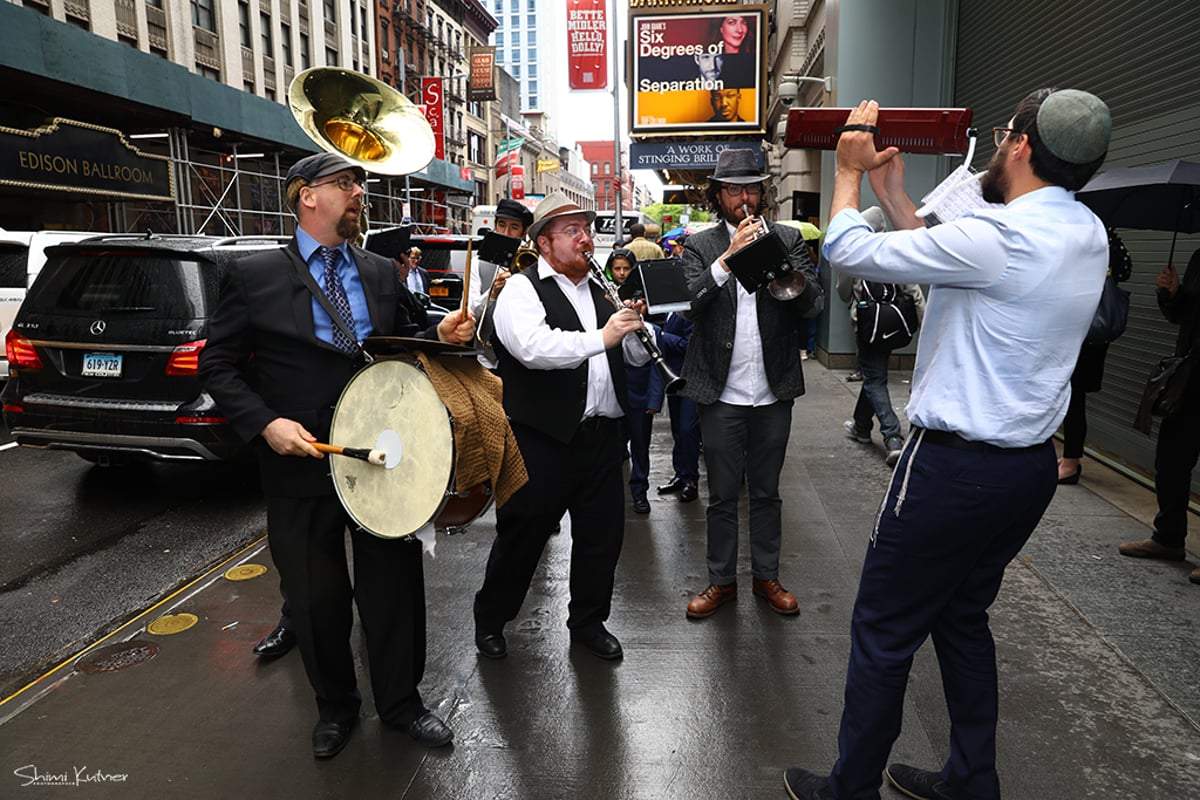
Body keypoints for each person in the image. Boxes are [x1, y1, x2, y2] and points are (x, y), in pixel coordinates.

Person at [781, 88, 1112, 800]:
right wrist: (895, 193)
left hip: (951, 470)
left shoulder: (999, 237)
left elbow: (847, 250)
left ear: (1021, 144)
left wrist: (845, 170)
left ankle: (851, 788)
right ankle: (971, 778)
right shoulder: (1085, 232)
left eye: (1002, 135)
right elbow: (944, 263)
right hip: (1026, 471)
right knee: (962, 618)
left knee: (882, 632)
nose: (995, 145)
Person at [198, 152, 476, 759]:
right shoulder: (254, 276)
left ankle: (403, 704)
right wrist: (265, 423)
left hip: (377, 454)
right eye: (346, 183)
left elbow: (400, 346)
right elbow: (216, 363)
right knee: (316, 596)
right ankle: (335, 709)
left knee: (393, 586)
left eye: (360, 183)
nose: (358, 193)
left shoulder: (380, 272)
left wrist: (440, 336)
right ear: (306, 196)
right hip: (298, 461)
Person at [472, 192, 650, 662]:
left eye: (586, 229)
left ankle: (588, 622)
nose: (585, 239)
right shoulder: (521, 290)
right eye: (572, 231)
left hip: (601, 437)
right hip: (541, 438)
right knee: (523, 536)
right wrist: (604, 335)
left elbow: (622, 358)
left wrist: (634, 335)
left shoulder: (599, 289)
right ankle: (491, 619)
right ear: (545, 242)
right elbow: (533, 348)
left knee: (601, 537)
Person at [680, 147, 823, 620]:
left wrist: (780, 261)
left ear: (762, 192)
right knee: (721, 494)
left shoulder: (786, 236)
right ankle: (720, 582)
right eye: (733, 189)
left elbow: (813, 305)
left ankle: (767, 577)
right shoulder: (700, 245)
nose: (744, 197)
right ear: (718, 196)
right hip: (719, 390)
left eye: (751, 188)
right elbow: (687, 305)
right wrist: (726, 260)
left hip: (772, 387)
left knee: (766, 492)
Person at [1118, 246, 1200, 583]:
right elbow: (1183, 316)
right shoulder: (1199, 257)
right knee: (1171, 461)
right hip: (1192, 376)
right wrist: (1173, 293)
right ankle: (1168, 538)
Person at [835, 207, 927, 467]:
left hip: (867, 327)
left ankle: (893, 436)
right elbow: (914, 292)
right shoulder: (895, 252)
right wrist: (926, 326)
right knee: (874, 374)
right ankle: (861, 427)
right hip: (894, 327)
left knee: (874, 378)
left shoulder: (856, 255)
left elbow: (843, 294)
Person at [1058, 228, 1133, 484]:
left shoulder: (1091, 233)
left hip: (1082, 326)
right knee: (1067, 395)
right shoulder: (1104, 234)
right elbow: (1125, 270)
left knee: (1073, 395)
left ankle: (1070, 462)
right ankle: (1068, 458)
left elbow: (1121, 271)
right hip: (1083, 327)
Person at [608, 248, 656, 514]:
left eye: (626, 269)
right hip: (614, 394)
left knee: (640, 447)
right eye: (617, 269)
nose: (621, 274)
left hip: (638, 397)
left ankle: (640, 493)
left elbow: (645, 362)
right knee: (614, 449)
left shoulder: (647, 327)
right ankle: (614, 495)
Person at [469, 198, 533, 370]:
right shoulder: (477, 263)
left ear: (523, 232)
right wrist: (492, 294)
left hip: (522, 360)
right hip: (486, 360)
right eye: (502, 225)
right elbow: (470, 313)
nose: (506, 233)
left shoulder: (531, 262)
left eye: (514, 227)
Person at [651, 310, 701, 503]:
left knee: (687, 429)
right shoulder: (670, 308)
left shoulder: (688, 308)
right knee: (677, 430)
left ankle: (691, 480)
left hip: (690, 378)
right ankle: (681, 474)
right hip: (675, 377)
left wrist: (661, 335)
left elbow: (689, 344)